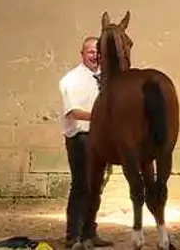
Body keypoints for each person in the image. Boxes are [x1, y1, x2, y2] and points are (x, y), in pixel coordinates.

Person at [59, 36, 113, 248]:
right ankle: (73, 235)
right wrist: (101, 117)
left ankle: (90, 233)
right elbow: (73, 112)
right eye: (91, 52)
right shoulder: (71, 80)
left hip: (101, 138)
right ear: (82, 54)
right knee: (81, 185)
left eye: (98, 52)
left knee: (96, 186)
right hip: (80, 138)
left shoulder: (106, 79)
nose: (95, 56)